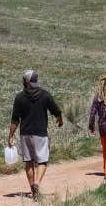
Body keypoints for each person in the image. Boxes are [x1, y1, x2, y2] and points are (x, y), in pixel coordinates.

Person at [5, 69, 63, 198]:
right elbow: (56, 110)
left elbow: (15, 119)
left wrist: (10, 136)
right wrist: (60, 120)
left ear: (25, 81)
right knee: (42, 161)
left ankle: (32, 189)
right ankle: (37, 183)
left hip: (25, 133)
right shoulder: (45, 95)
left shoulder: (19, 97)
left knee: (29, 162)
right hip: (40, 133)